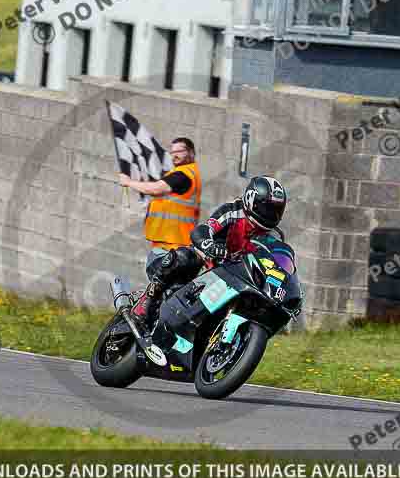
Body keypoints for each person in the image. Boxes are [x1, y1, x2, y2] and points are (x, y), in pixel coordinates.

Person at [129, 175, 288, 336]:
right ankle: (147, 300)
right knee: (188, 256)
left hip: (239, 279)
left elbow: (276, 262)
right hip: (208, 267)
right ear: (251, 199)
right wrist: (209, 245)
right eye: (268, 208)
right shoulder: (233, 211)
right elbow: (204, 230)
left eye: (277, 210)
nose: (272, 215)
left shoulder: (274, 236)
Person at [118, 138, 202, 281]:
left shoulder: (184, 175)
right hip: (173, 246)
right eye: (172, 151)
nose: (174, 155)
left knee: (161, 296)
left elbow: (156, 189)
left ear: (191, 153)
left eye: (179, 151)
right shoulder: (183, 173)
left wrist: (128, 182)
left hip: (173, 249)